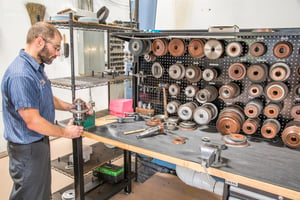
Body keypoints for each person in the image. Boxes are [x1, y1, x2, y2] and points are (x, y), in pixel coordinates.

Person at [1, 21, 84, 200]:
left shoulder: (37, 69)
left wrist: (70, 107)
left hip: (38, 143)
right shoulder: (21, 74)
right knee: (29, 195)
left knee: (40, 192)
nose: (57, 53)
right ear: (40, 42)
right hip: (27, 149)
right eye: (56, 47)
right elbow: (33, 121)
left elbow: (45, 98)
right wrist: (65, 132)